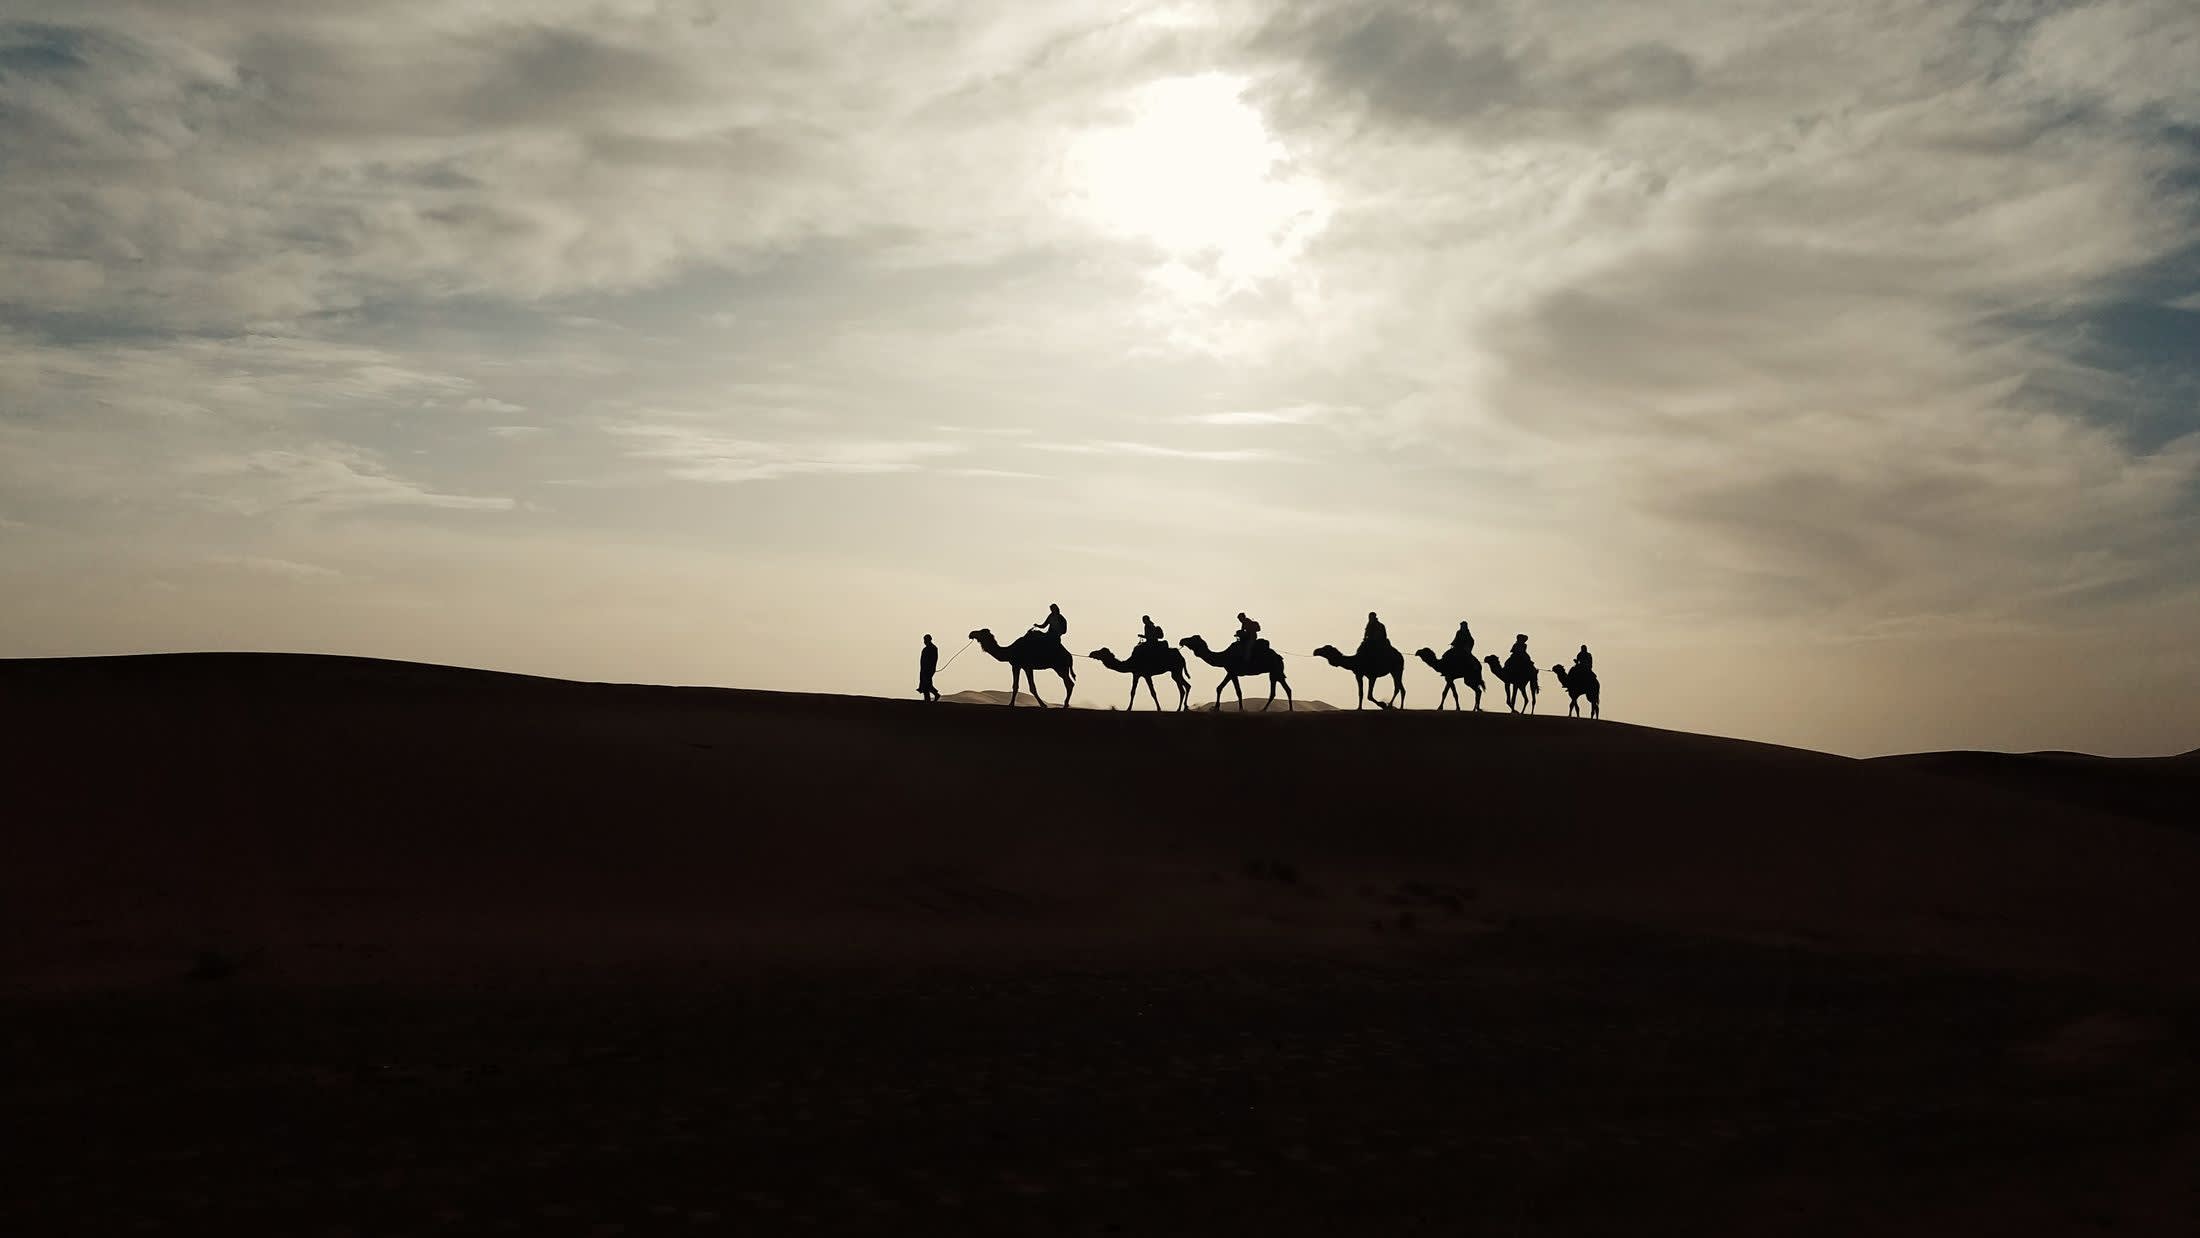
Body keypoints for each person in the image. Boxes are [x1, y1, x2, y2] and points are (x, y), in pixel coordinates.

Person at [917, 634, 940, 702]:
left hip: (928, 669)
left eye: (925, 640)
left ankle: (933, 696)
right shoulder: (926, 649)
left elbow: (933, 660)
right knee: (926, 684)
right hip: (924, 669)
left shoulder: (933, 648)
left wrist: (930, 668)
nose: (924, 641)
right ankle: (929, 699)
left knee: (926, 684)